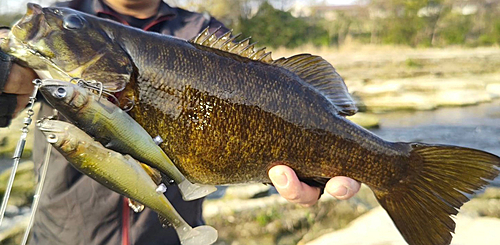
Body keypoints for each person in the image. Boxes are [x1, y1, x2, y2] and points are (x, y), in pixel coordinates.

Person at [0, 0, 361, 244]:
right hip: (62, 237)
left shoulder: (201, 30)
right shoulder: (64, 20)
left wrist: (329, 157)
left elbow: (267, 108)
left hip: (168, 238)